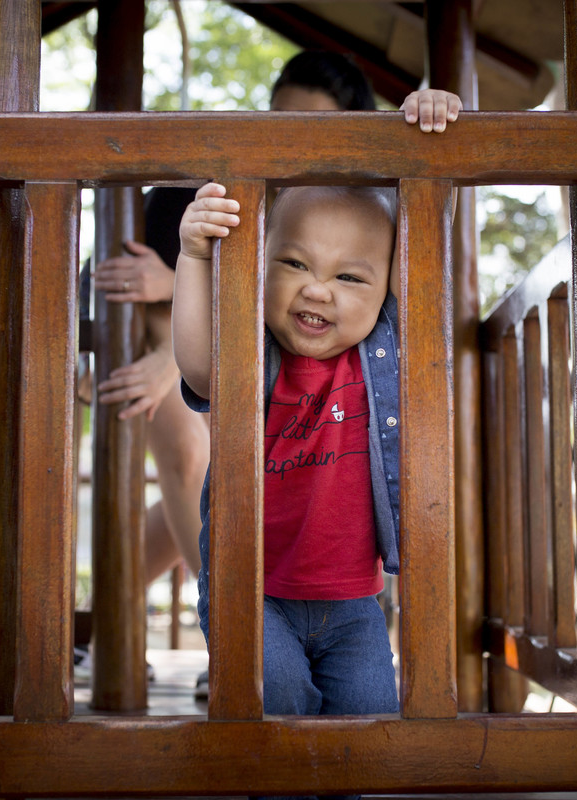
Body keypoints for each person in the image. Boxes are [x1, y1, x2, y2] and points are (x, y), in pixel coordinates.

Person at [87, 50, 460, 629]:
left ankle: (92, 617)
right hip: (183, 353)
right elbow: (136, 290)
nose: (295, 140)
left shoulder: (361, 226)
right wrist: (169, 322)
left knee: (218, 475)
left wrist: (424, 129)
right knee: (195, 456)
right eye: (283, 118)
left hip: (232, 359)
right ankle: (230, 621)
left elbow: (416, 234)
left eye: (316, 128)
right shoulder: (224, 190)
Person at [172, 72, 458, 724]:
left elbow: (427, 223)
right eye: (295, 264)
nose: (318, 290)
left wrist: (422, 137)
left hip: (356, 602)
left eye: (350, 276)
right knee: (278, 712)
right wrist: (194, 255)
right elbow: (197, 363)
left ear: (386, 289)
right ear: (259, 261)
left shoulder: (383, 352)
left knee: (369, 729)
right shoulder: (253, 352)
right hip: (252, 592)